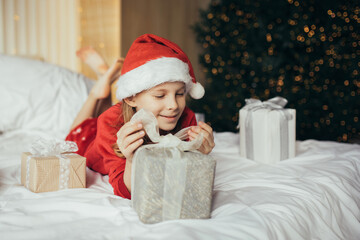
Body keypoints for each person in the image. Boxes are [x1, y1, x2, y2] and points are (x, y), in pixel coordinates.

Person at [66, 34, 215, 199]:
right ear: (130, 97)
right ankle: (96, 92)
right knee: (78, 132)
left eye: (180, 94)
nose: (174, 105)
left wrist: (201, 155)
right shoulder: (110, 122)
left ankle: (105, 80)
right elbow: (125, 191)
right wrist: (131, 161)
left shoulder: (186, 117)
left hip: (119, 114)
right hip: (94, 140)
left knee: (105, 115)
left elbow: (185, 174)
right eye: (160, 96)